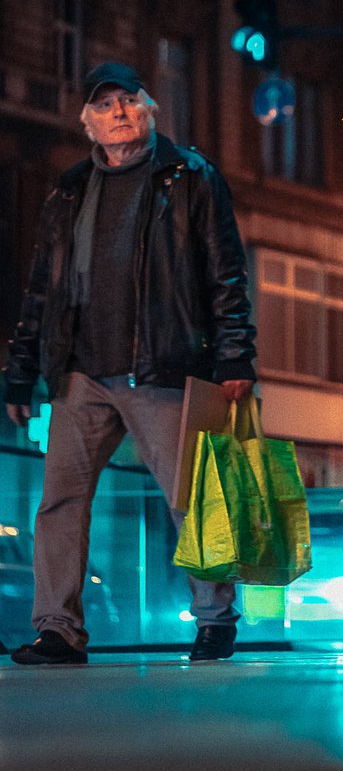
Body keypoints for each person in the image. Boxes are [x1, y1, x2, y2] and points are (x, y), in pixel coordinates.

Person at [3, 62, 257, 665]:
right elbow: (42, 286)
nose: (117, 111)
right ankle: (57, 629)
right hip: (80, 371)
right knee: (59, 503)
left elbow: (226, 271)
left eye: (128, 100)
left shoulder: (190, 176)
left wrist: (235, 356)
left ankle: (215, 618)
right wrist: (20, 370)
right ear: (88, 123)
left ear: (149, 109)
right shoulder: (68, 189)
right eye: (104, 104)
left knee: (191, 498)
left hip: (162, 366)